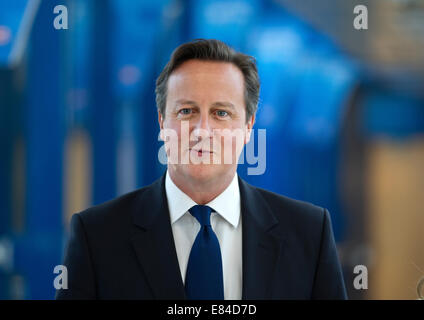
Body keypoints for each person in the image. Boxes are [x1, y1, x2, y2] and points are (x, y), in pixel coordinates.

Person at [56, 39, 347, 300]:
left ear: (248, 127)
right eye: (186, 111)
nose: (202, 131)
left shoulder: (309, 234)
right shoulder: (97, 237)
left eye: (221, 113)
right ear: (161, 122)